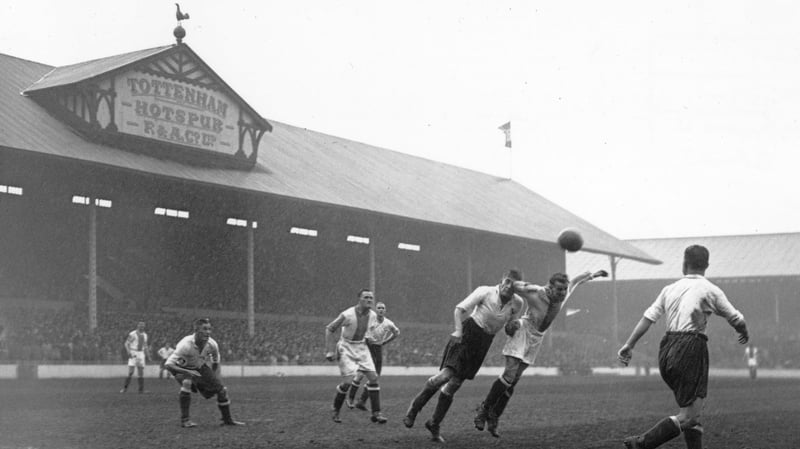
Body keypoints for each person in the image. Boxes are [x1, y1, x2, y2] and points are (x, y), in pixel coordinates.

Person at [617, 245, 749, 449]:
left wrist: (629, 345)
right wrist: (743, 332)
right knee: (689, 417)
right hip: (691, 348)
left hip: (667, 350)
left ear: (684, 264)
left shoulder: (669, 289)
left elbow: (648, 318)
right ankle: (642, 443)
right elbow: (737, 319)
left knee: (693, 414)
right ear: (706, 265)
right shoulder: (710, 290)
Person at [473, 269, 608, 437]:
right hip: (523, 330)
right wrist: (507, 309)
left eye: (564, 289)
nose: (563, 293)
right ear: (549, 288)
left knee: (513, 380)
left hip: (536, 338)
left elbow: (576, 281)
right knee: (509, 375)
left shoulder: (564, 293)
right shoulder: (535, 292)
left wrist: (594, 275)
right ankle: (484, 410)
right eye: (559, 289)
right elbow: (512, 286)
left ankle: (494, 416)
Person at [403, 269, 525, 443]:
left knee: (454, 384)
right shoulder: (485, 291)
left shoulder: (517, 303)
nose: (508, 286)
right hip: (468, 334)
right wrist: (458, 331)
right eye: (507, 281)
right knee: (444, 377)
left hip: (484, 342)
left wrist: (514, 327)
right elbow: (459, 309)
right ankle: (414, 409)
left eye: (513, 284)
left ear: (518, 287)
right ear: (502, 280)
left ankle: (434, 424)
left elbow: (509, 326)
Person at [164, 318, 244, 428]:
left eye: (209, 329)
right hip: (182, 367)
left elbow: (215, 362)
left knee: (222, 390)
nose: (208, 332)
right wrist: (186, 373)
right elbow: (169, 365)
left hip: (200, 367)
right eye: (205, 329)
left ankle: (227, 420)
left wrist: (213, 378)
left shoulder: (212, 344)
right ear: (196, 330)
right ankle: (185, 420)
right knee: (187, 383)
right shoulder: (185, 345)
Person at [324, 288, 388, 424]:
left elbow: (369, 332)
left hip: (361, 346)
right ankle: (335, 408)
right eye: (366, 297)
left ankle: (376, 413)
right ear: (359, 299)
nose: (369, 300)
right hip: (346, 347)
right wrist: (330, 350)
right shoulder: (347, 314)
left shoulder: (373, 316)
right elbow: (329, 329)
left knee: (374, 378)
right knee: (347, 382)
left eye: (371, 298)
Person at [347, 301, 401, 410]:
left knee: (375, 377)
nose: (381, 310)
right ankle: (351, 398)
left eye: (382, 308)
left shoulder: (388, 323)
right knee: (361, 374)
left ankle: (361, 401)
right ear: (376, 310)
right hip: (368, 347)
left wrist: (385, 341)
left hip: (378, 349)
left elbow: (397, 333)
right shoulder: (370, 320)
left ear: (385, 311)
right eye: (379, 308)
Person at [120, 321, 148, 393]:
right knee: (131, 372)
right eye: (140, 325)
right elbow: (126, 343)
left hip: (141, 353)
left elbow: (145, 345)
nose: (142, 327)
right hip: (133, 352)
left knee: (141, 372)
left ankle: (141, 390)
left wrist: (147, 354)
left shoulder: (145, 335)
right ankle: (125, 388)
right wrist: (128, 352)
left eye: (143, 325)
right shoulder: (133, 334)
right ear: (137, 326)